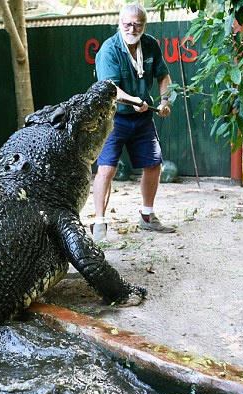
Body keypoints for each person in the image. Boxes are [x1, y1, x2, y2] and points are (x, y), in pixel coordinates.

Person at [90, 2, 175, 242]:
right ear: (120, 23)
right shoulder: (109, 50)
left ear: (144, 25)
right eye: (127, 24)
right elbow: (110, 89)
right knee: (107, 169)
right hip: (113, 118)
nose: (132, 28)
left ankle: (147, 216)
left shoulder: (150, 45)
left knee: (153, 164)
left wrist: (166, 100)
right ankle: (99, 222)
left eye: (137, 24)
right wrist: (135, 100)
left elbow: (164, 76)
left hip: (143, 117)